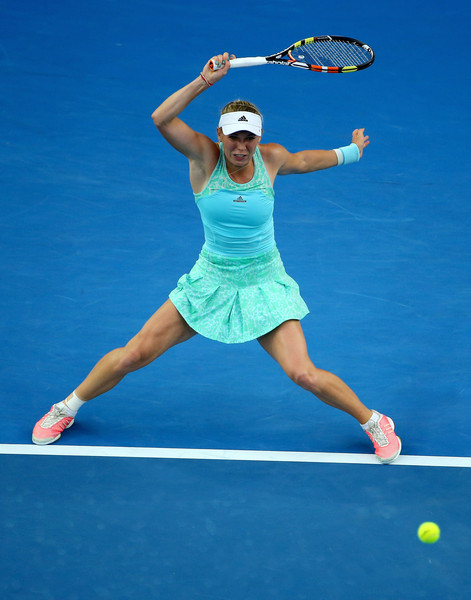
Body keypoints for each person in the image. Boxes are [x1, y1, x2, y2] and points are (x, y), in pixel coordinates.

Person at [32, 52, 401, 463]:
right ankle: (65, 408)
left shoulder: (271, 158)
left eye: (249, 138)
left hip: (264, 282)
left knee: (304, 374)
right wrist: (203, 82)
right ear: (220, 135)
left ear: (259, 138)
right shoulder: (204, 158)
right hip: (211, 279)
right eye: (234, 137)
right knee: (135, 353)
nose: (241, 146)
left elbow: (305, 161)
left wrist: (350, 151)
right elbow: (161, 119)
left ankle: (374, 422)